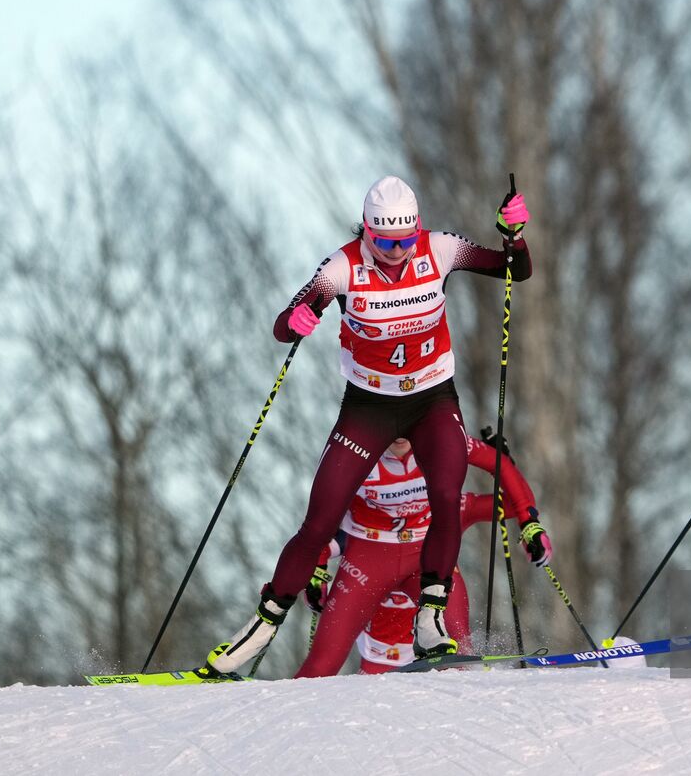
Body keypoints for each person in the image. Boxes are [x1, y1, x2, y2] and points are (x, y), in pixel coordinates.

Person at [204, 175, 533, 676]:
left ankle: (431, 616)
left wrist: (514, 235)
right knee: (319, 519)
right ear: (367, 233)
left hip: (432, 400)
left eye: (405, 240)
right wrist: (295, 319)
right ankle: (262, 625)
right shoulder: (342, 267)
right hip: (369, 407)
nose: (397, 252)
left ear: (417, 229)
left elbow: (516, 270)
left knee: (445, 495)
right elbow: (284, 321)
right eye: (384, 242)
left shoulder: (442, 249)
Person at [297, 432, 550, 677]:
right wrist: (315, 572)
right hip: (375, 624)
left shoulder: (445, 451)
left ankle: (471, 696)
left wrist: (526, 516)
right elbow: (324, 530)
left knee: (458, 649)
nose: (400, 432)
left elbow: (506, 498)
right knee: (321, 665)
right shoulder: (358, 452)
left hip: (425, 566)